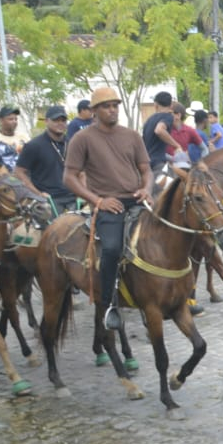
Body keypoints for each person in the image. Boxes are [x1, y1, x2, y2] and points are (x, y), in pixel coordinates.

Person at [61, 87, 152, 332]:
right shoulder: (82, 139)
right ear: (94, 111)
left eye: (115, 105)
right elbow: (69, 178)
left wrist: (146, 189)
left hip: (137, 199)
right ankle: (109, 304)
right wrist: (98, 201)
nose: (112, 110)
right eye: (106, 106)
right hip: (108, 205)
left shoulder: (132, 136)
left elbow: (146, 170)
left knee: (167, 234)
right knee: (111, 248)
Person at [14, 105, 77, 213]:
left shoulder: (72, 143)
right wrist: (38, 194)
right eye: (56, 120)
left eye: (63, 120)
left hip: (73, 197)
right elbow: (19, 172)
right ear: (46, 121)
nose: (60, 123)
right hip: (48, 200)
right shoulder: (33, 145)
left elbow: (82, 171)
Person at [141, 91, 180, 174]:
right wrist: (177, 146)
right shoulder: (168, 116)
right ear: (171, 105)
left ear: (155, 105)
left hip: (145, 164)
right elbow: (159, 130)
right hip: (158, 164)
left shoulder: (149, 120)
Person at [0, 105, 27, 174]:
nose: (14, 121)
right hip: (3, 179)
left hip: (25, 177)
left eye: (16, 119)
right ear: (1, 120)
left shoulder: (23, 137)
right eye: (10, 119)